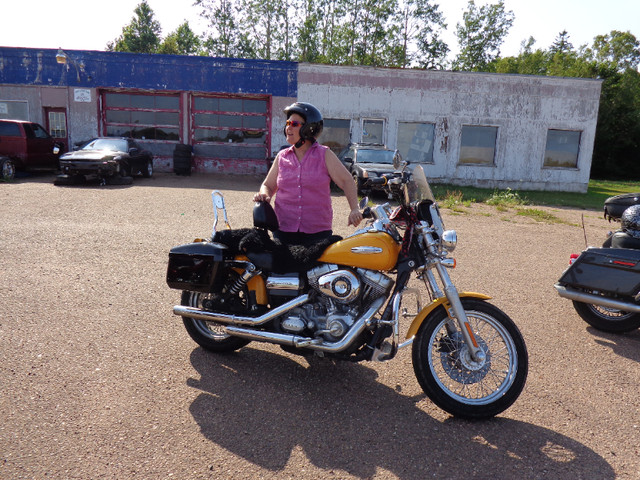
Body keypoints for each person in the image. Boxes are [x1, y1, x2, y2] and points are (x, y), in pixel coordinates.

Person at [253, 102, 363, 246]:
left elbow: (347, 181)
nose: (288, 128)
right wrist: (264, 195)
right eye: (287, 123)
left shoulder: (325, 155)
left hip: (317, 234)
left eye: (294, 124)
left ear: (309, 129)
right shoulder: (282, 156)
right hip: (284, 230)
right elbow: (268, 185)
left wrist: (354, 208)